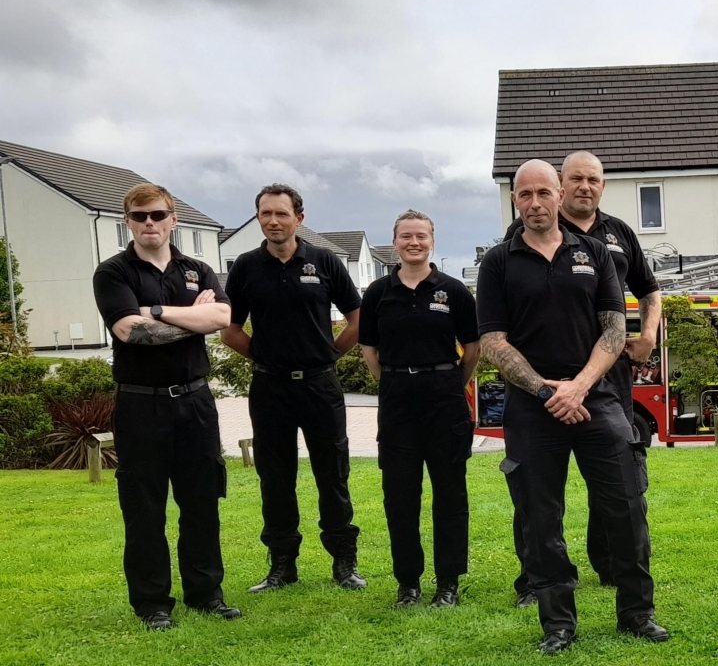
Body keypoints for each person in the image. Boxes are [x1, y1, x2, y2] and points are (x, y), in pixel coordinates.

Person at [478, 159, 668, 654]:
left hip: (598, 400)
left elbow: (612, 328)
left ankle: (636, 614)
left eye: (544, 193)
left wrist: (578, 387)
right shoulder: (498, 262)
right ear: (515, 201)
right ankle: (557, 624)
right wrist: (546, 391)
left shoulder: (595, 251)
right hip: (532, 408)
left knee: (626, 507)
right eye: (525, 195)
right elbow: (493, 341)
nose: (536, 203)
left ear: (559, 195)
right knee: (541, 518)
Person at [93, 183, 239, 630]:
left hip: (195, 401)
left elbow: (222, 319)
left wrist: (155, 310)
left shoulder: (197, 268)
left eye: (157, 215)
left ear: (173, 219)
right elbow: (130, 333)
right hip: (141, 406)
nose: (149, 224)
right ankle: (153, 603)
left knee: (201, 503)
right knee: (144, 508)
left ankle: (205, 593)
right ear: (127, 223)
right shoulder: (113, 273)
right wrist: (188, 317)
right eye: (139, 217)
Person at [221, 184, 366, 592]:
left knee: (333, 474)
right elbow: (230, 331)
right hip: (271, 390)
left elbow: (358, 319)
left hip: (321, 387)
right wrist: (266, 359)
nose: (273, 221)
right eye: (265, 214)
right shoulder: (246, 267)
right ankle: (282, 566)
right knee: (275, 478)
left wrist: (329, 355)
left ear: (298, 218)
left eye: (281, 214)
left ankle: (344, 564)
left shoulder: (323, 261)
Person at [359, 210, 480, 609]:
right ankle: (407, 583)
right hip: (397, 401)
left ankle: (448, 583)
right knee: (400, 496)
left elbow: (473, 348)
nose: (414, 242)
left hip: (444, 398)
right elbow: (369, 351)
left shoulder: (454, 291)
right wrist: (395, 381)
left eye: (421, 236)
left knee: (449, 494)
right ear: (394, 242)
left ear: (432, 241)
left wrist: (449, 382)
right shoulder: (378, 292)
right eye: (406, 236)